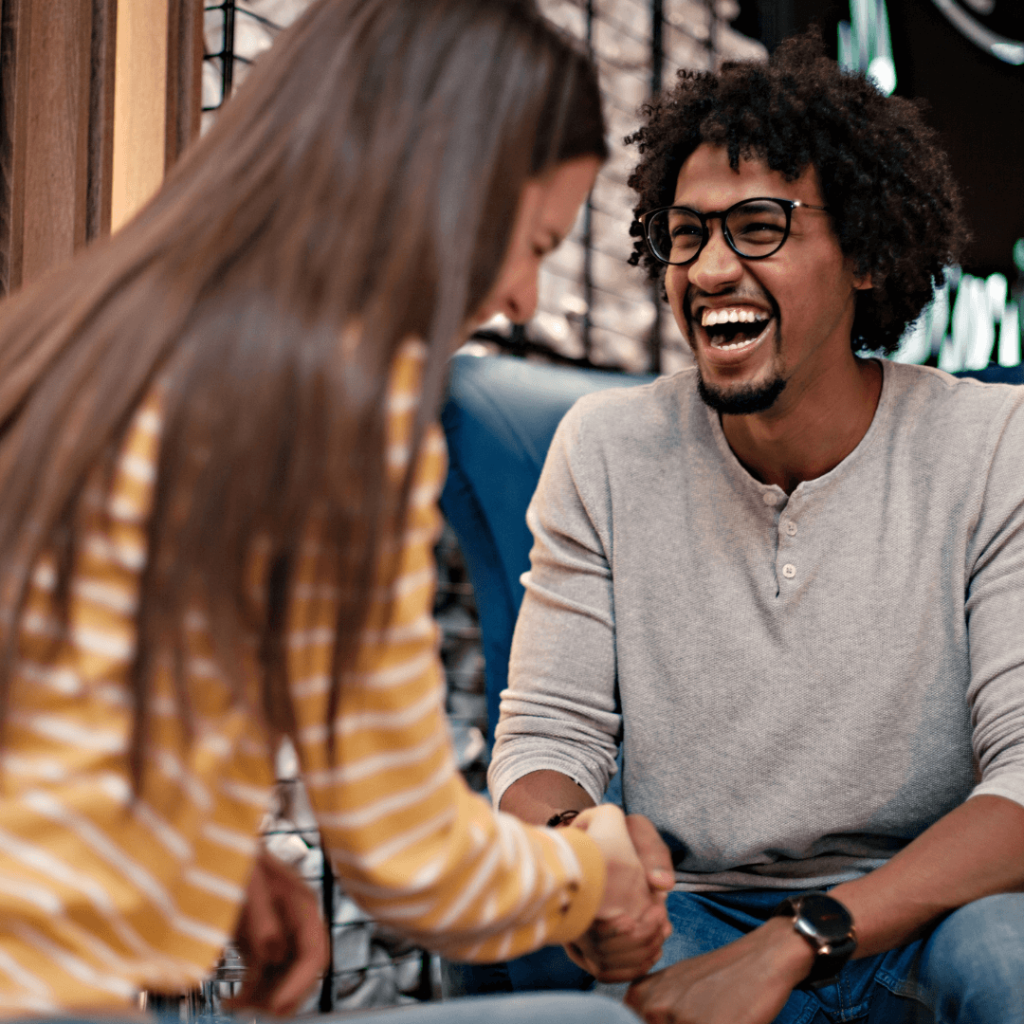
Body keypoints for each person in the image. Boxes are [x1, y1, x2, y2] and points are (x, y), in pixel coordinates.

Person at [0, 0, 669, 1017]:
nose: (525, 298)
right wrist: (596, 871)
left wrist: (213, 863)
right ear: (445, 187)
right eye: (530, 241)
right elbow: (414, 863)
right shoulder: (340, 410)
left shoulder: (74, 330)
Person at [486, 32, 1024, 1024]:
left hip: (925, 912)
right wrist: (580, 845)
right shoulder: (603, 451)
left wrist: (800, 939)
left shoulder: (993, 446)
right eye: (686, 236)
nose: (711, 268)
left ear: (865, 251)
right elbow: (539, 744)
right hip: (695, 910)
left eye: (760, 227)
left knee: (1010, 951)